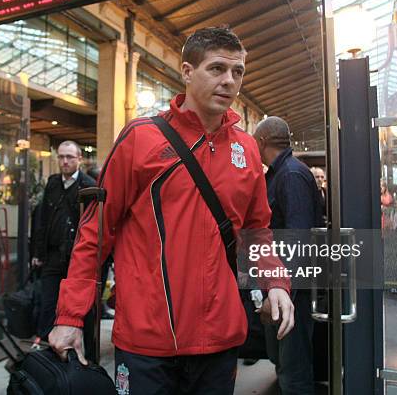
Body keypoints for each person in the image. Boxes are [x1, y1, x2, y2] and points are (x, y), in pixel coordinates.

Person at [49, 26, 294, 394]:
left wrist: (275, 280)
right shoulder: (140, 138)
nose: (229, 81)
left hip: (220, 338)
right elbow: (95, 233)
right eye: (217, 68)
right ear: (187, 71)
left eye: (237, 71)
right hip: (147, 342)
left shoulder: (246, 149)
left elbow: (256, 231)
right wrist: (70, 316)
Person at [253, 116, 324, 395]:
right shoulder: (282, 173)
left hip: (292, 291)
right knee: (283, 362)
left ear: (262, 142)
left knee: (293, 371)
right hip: (284, 287)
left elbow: (297, 242)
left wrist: (280, 295)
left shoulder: (291, 175)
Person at [32, 140, 96, 355]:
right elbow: (42, 219)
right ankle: (47, 358)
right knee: (48, 305)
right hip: (52, 256)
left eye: (69, 157)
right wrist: (38, 253)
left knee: (84, 310)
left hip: (78, 259)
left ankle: (88, 359)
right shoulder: (52, 183)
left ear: (79, 159)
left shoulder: (89, 185)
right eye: (61, 156)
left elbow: (95, 225)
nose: (65, 161)